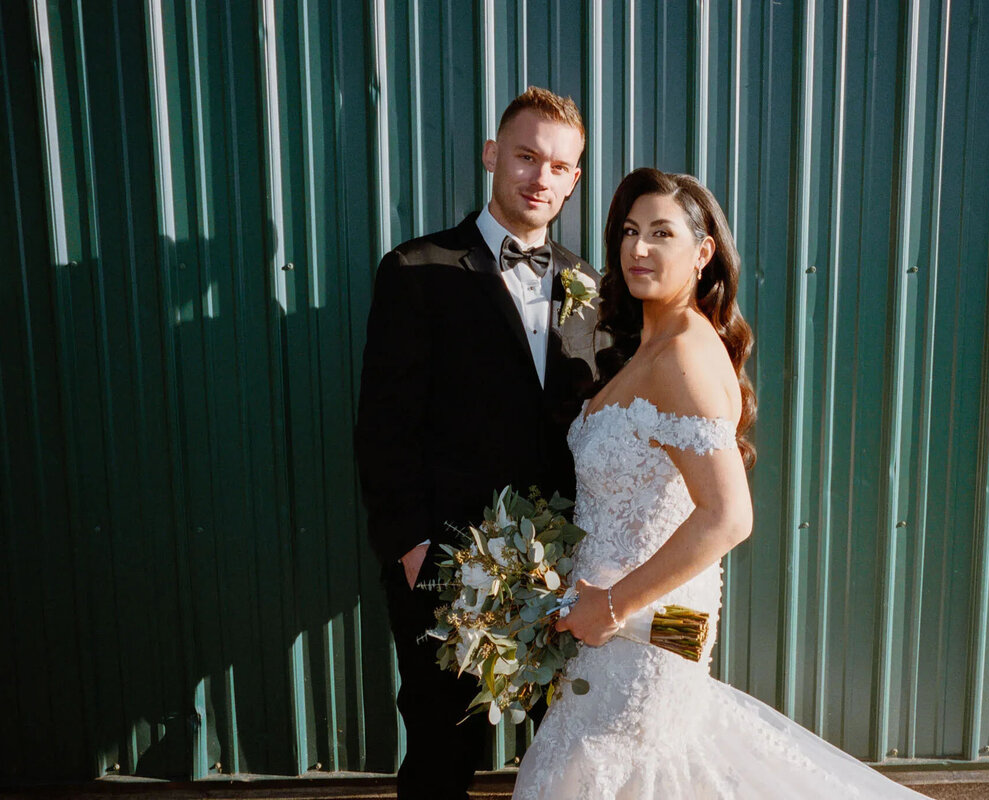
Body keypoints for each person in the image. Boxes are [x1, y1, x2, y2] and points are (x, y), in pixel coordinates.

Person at [512, 168, 927, 798]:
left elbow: (729, 516)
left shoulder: (685, 353)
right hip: (605, 636)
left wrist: (612, 605)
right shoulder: (645, 351)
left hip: (638, 636)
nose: (638, 248)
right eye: (628, 231)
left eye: (661, 232)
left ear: (703, 252)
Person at [354, 87, 602, 799]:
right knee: (441, 757)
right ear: (493, 154)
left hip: (565, 577)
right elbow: (384, 424)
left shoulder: (587, 283)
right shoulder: (415, 270)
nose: (541, 178)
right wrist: (412, 552)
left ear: (574, 178)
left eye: (559, 166)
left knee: (568, 757)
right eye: (526, 156)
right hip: (447, 567)